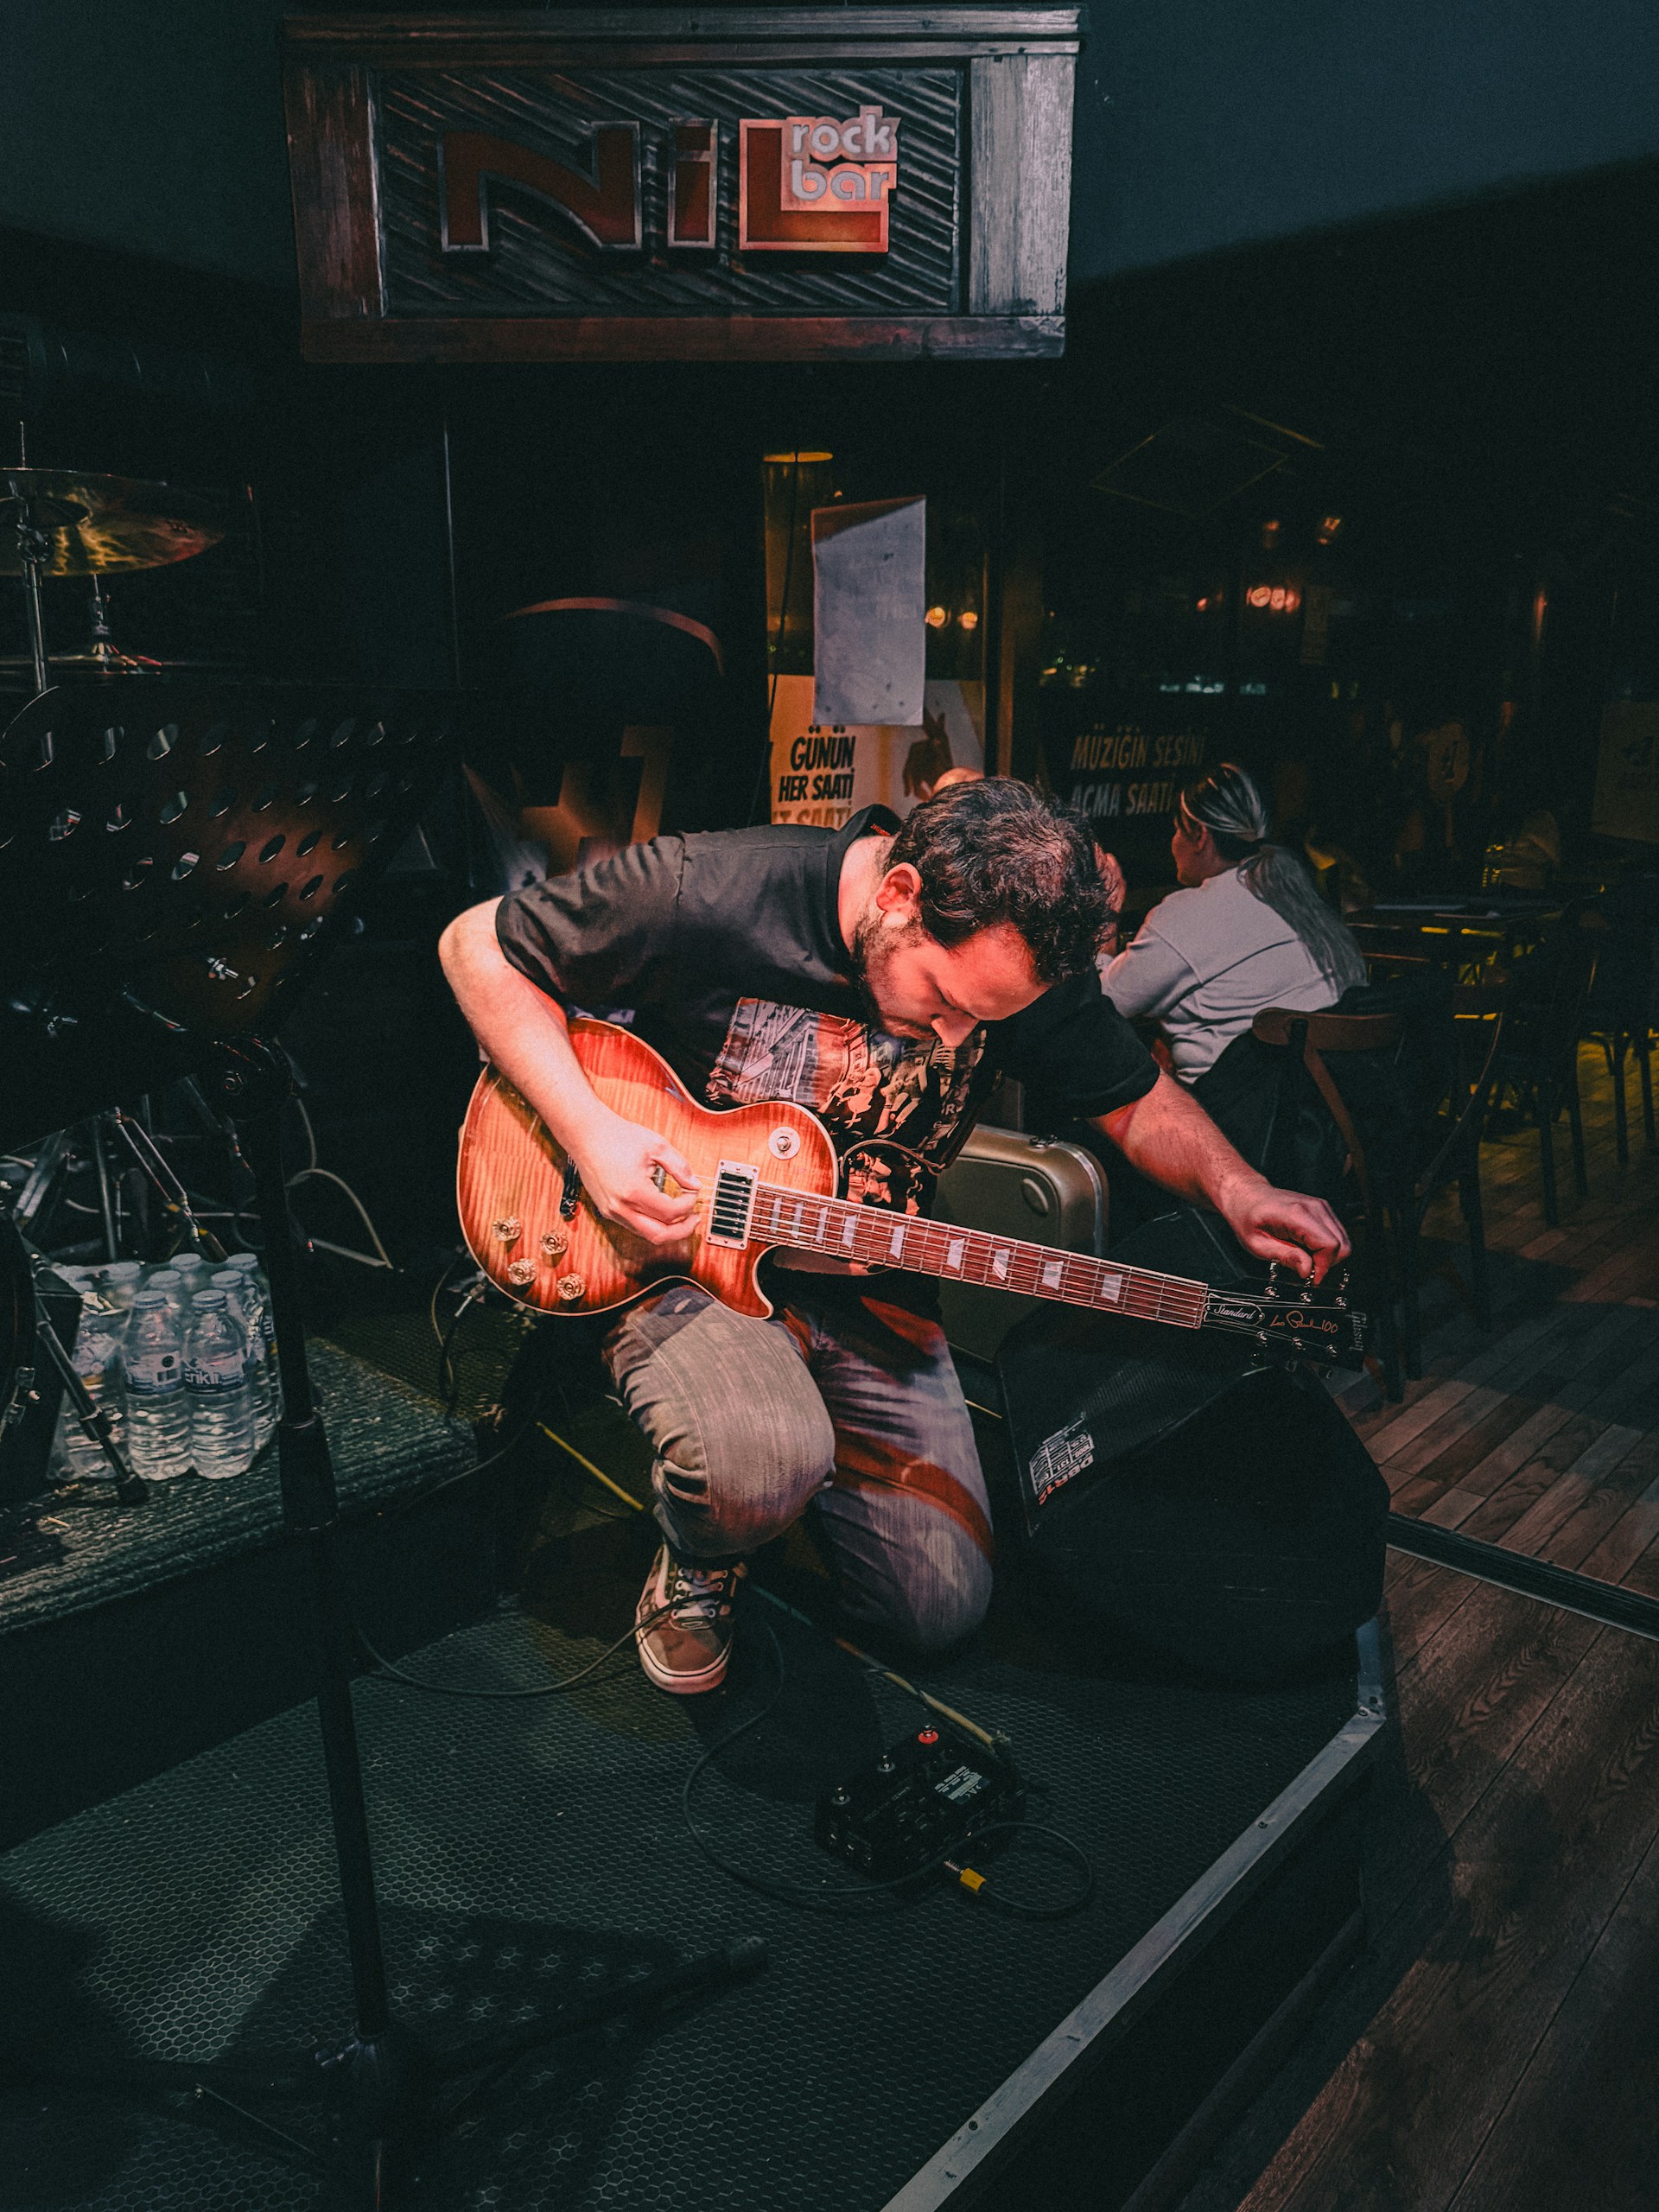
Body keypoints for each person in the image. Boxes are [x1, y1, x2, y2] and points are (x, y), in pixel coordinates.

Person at [440, 779, 1349, 1697]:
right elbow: (475, 945)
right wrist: (594, 1141)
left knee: (940, 1607)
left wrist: (1239, 1187)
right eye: (946, 997)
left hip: (868, 1282)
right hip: (682, 1261)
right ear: (898, 894)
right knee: (758, 1459)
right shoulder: (713, 885)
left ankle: (781, 1470)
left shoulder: (1013, 958)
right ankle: (708, 1541)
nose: (957, 1033)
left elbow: (1132, 1094)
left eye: (985, 1020)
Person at [1098, 763, 1367, 1084]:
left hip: (1237, 1116)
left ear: (1199, 835)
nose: (1172, 844)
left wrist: (1106, 913)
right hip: (1325, 1107)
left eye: (1176, 830)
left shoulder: (1190, 913)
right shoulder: (1299, 891)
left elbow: (1101, 1005)